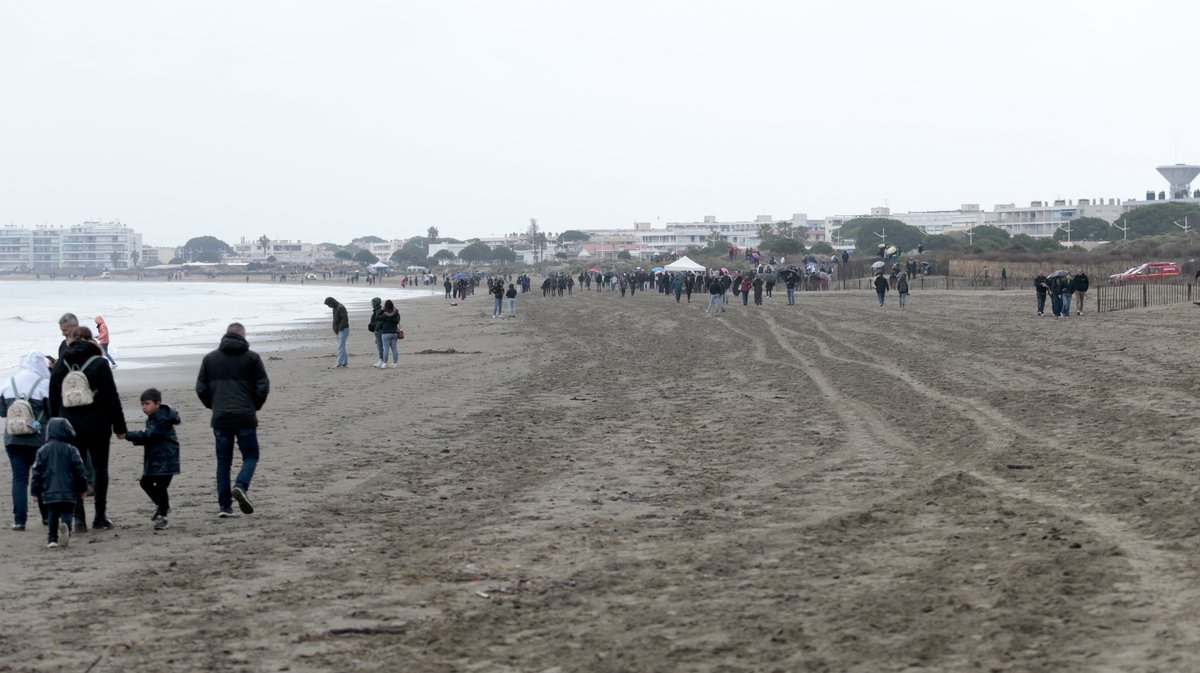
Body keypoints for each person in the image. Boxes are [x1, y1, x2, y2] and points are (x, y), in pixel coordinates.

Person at [48, 326, 126, 532]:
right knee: (100, 469)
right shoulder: (100, 363)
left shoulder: (61, 364)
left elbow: (53, 398)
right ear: (91, 340)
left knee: (74, 470)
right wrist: (120, 426)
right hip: (98, 424)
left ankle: (79, 518)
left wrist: (54, 425)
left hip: (69, 425)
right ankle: (100, 517)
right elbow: (111, 396)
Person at [195, 322, 270, 518]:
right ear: (242, 336)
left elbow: (201, 388)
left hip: (221, 417)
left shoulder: (210, 359)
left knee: (223, 462)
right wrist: (254, 406)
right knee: (251, 456)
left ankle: (225, 506)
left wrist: (214, 405)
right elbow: (263, 386)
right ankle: (241, 486)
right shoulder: (252, 358)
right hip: (244, 415)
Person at [2, 351, 51, 531]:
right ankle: (46, 516)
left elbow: (2, 412)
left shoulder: (8, 382)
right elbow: (52, 412)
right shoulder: (43, 384)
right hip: (38, 438)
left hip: (13, 437)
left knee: (19, 479)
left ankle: (19, 520)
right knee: (42, 476)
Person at [123, 388, 180, 530]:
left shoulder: (161, 419)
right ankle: (162, 506)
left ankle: (163, 515)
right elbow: (150, 437)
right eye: (142, 404)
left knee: (161, 486)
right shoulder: (153, 418)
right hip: (156, 457)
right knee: (145, 482)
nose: (144, 407)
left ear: (157, 403)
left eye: (147, 404)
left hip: (166, 458)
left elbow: (150, 435)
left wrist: (128, 435)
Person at [30, 418, 88, 548]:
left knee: (52, 513)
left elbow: (36, 473)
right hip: (69, 490)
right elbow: (80, 471)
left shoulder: (42, 450)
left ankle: (52, 539)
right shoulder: (71, 450)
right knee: (67, 512)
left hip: (49, 490)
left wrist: (35, 491)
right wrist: (83, 488)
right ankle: (66, 529)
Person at [324, 297, 349, 368]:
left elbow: (345, 318)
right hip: (339, 330)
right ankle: (344, 362)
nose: (329, 306)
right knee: (341, 346)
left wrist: (340, 328)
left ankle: (339, 362)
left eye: (328, 304)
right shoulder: (335, 308)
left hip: (343, 329)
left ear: (332, 302)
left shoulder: (340, 307)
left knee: (340, 347)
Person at [375, 300, 401, 368]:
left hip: (386, 333)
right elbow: (398, 320)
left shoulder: (384, 315)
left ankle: (384, 363)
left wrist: (381, 310)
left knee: (385, 349)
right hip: (394, 333)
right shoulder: (396, 314)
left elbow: (377, 317)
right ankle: (395, 363)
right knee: (394, 349)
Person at [368, 297, 385, 369]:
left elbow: (379, 321)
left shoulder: (378, 311)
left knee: (380, 346)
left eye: (372, 302)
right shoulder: (378, 310)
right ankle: (382, 360)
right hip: (379, 330)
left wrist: (376, 329)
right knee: (380, 346)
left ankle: (381, 360)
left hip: (379, 330)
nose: (371, 304)